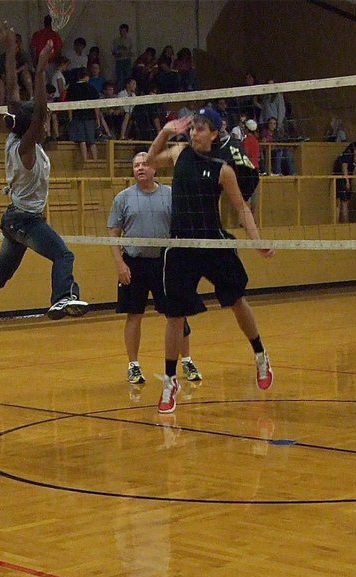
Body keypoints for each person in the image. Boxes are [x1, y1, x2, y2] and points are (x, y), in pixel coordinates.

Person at [0, 22, 88, 351]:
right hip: (25, 221)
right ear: (32, 127)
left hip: (15, 219)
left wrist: (11, 52)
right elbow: (39, 110)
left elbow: (13, 92)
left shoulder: (17, 138)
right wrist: (39, 70)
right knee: (64, 255)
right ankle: (63, 296)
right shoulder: (25, 148)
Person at [146, 107, 274, 414]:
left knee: (235, 301)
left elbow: (242, 208)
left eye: (201, 129)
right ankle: (170, 380)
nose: (194, 133)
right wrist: (166, 131)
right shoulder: (178, 153)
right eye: (192, 128)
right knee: (174, 315)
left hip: (213, 243)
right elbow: (150, 162)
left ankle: (260, 355)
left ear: (214, 133)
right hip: (180, 246)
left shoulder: (222, 168)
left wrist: (256, 241)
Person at [107, 152, 202, 385]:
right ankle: (133, 366)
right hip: (134, 262)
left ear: (154, 169)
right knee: (134, 314)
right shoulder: (123, 198)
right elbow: (113, 232)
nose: (140, 168)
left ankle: (186, 360)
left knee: (177, 314)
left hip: (165, 263)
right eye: (136, 164)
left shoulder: (170, 195)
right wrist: (119, 263)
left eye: (145, 164)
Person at [332, 141, 356, 223]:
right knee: (344, 203)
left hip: (338, 181)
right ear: (355, 149)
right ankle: (345, 223)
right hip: (342, 182)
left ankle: (337, 223)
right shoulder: (348, 156)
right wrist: (347, 181)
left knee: (338, 204)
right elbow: (344, 167)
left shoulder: (343, 155)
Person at [111, 24, 133, 92]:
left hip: (127, 60)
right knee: (120, 78)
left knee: (127, 77)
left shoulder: (130, 40)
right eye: (120, 31)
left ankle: (128, 91)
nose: (122, 33)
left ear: (127, 31)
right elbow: (113, 51)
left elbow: (132, 52)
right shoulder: (116, 41)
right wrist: (117, 54)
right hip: (119, 61)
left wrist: (126, 53)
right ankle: (120, 91)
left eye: (123, 31)